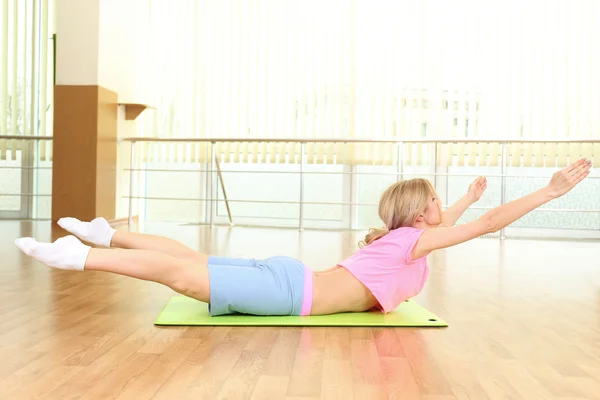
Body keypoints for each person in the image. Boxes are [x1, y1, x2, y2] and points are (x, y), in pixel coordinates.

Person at [15, 158, 591, 317]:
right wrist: (549, 192)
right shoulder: (411, 244)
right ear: (421, 216)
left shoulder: (400, 239)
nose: (448, 205)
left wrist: (465, 196)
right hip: (293, 294)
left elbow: (463, 217)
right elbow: (483, 226)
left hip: (291, 279)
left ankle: (103, 236)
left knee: (194, 260)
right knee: (183, 275)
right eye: (438, 201)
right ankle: (80, 256)